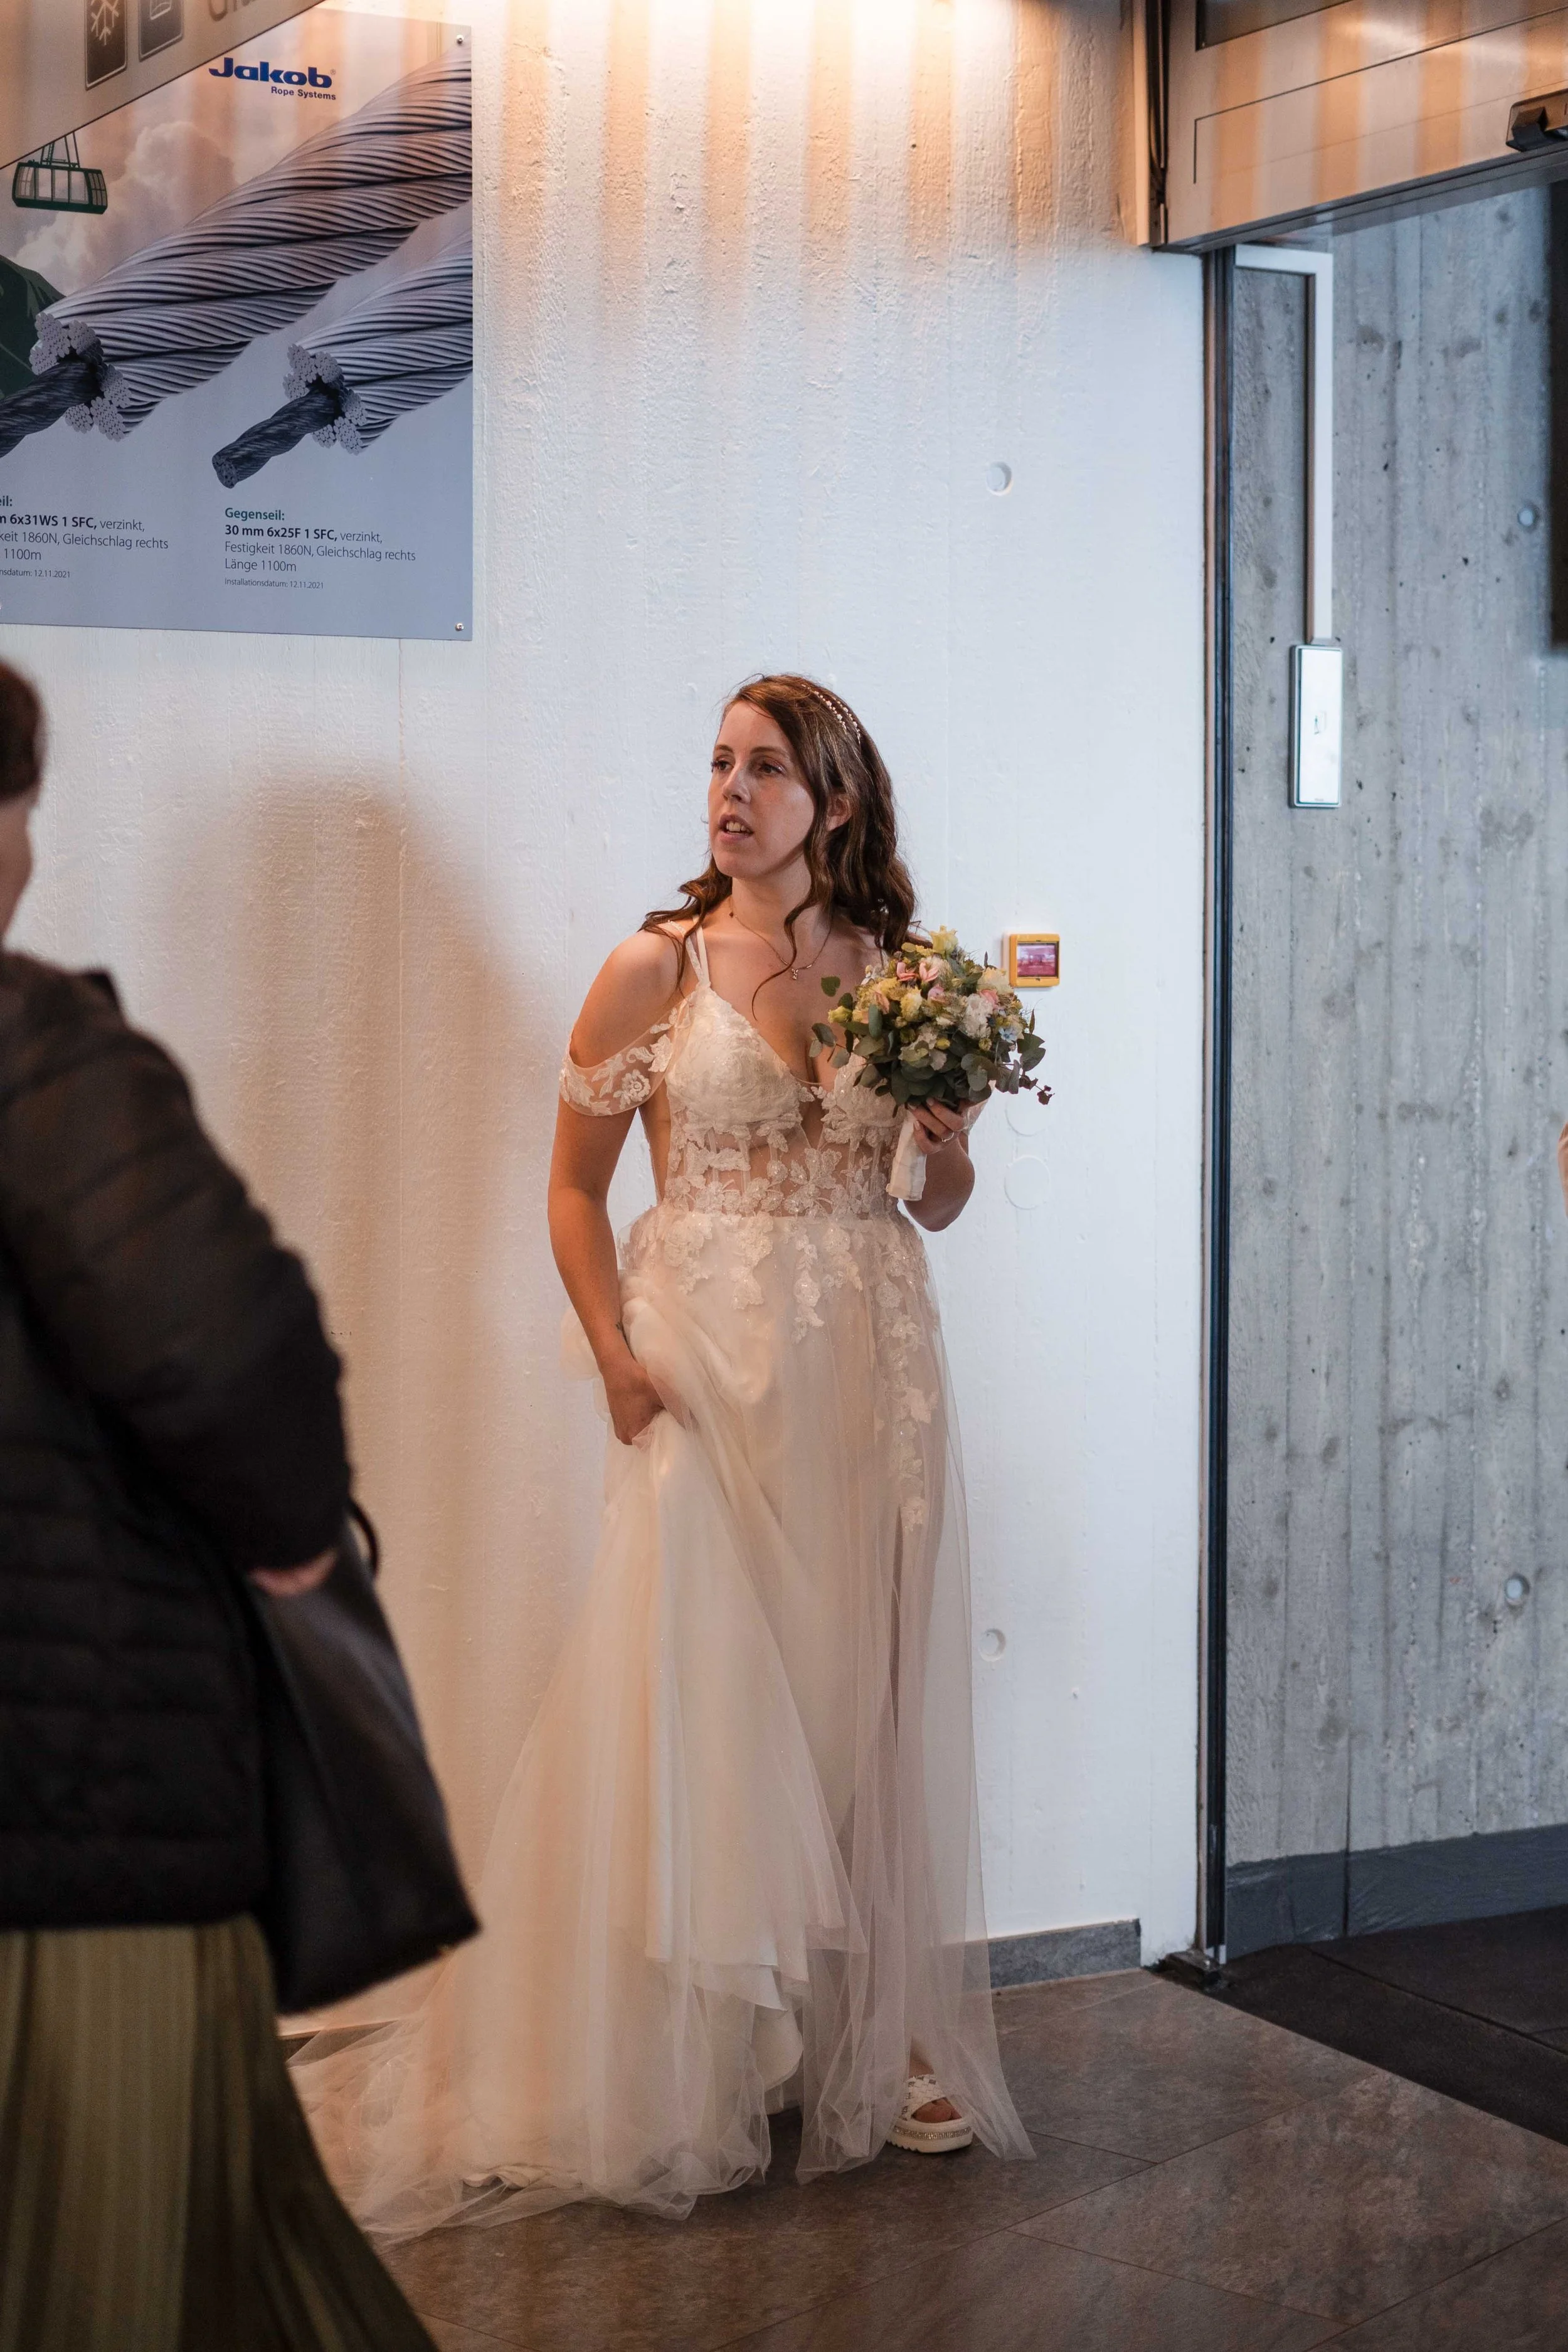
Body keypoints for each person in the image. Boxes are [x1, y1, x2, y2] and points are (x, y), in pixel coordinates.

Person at [292, 673, 1030, 2232]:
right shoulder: (656, 966)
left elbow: (932, 1205)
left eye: (763, 769)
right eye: (717, 763)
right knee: (697, 1689)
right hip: (702, 1367)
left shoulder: (902, 977)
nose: (728, 793)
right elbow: (572, 1188)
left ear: (834, 802)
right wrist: (615, 1361)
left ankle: (871, 2037)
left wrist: (951, 1147)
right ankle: (682, 2047)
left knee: (855, 1697)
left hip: (864, 1368)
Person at [0, 661, 436, 2352]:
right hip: (74, 1791)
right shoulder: (36, 1046)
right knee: (143, 2237)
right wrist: (300, 1542)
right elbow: (226, 1345)